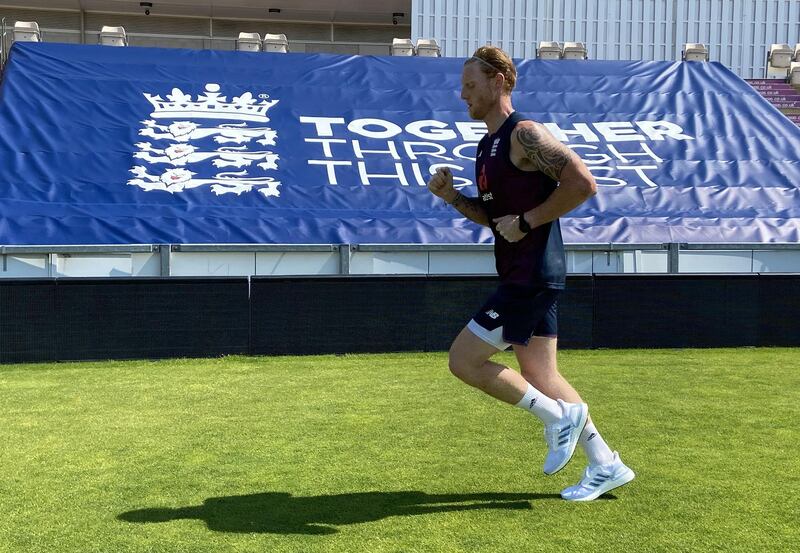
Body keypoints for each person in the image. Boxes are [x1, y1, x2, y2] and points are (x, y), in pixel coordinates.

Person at [427, 45, 634, 501]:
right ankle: (606, 464)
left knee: (463, 361)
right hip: (522, 272)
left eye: (470, 86)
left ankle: (556, 418)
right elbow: (494, 217)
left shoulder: (525, 134)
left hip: (532, 274)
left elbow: (582, 183)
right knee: (541, 372)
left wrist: (528, 221)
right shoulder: (487, 146)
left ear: (499, 81)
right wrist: (453, 198)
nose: (463, 96)